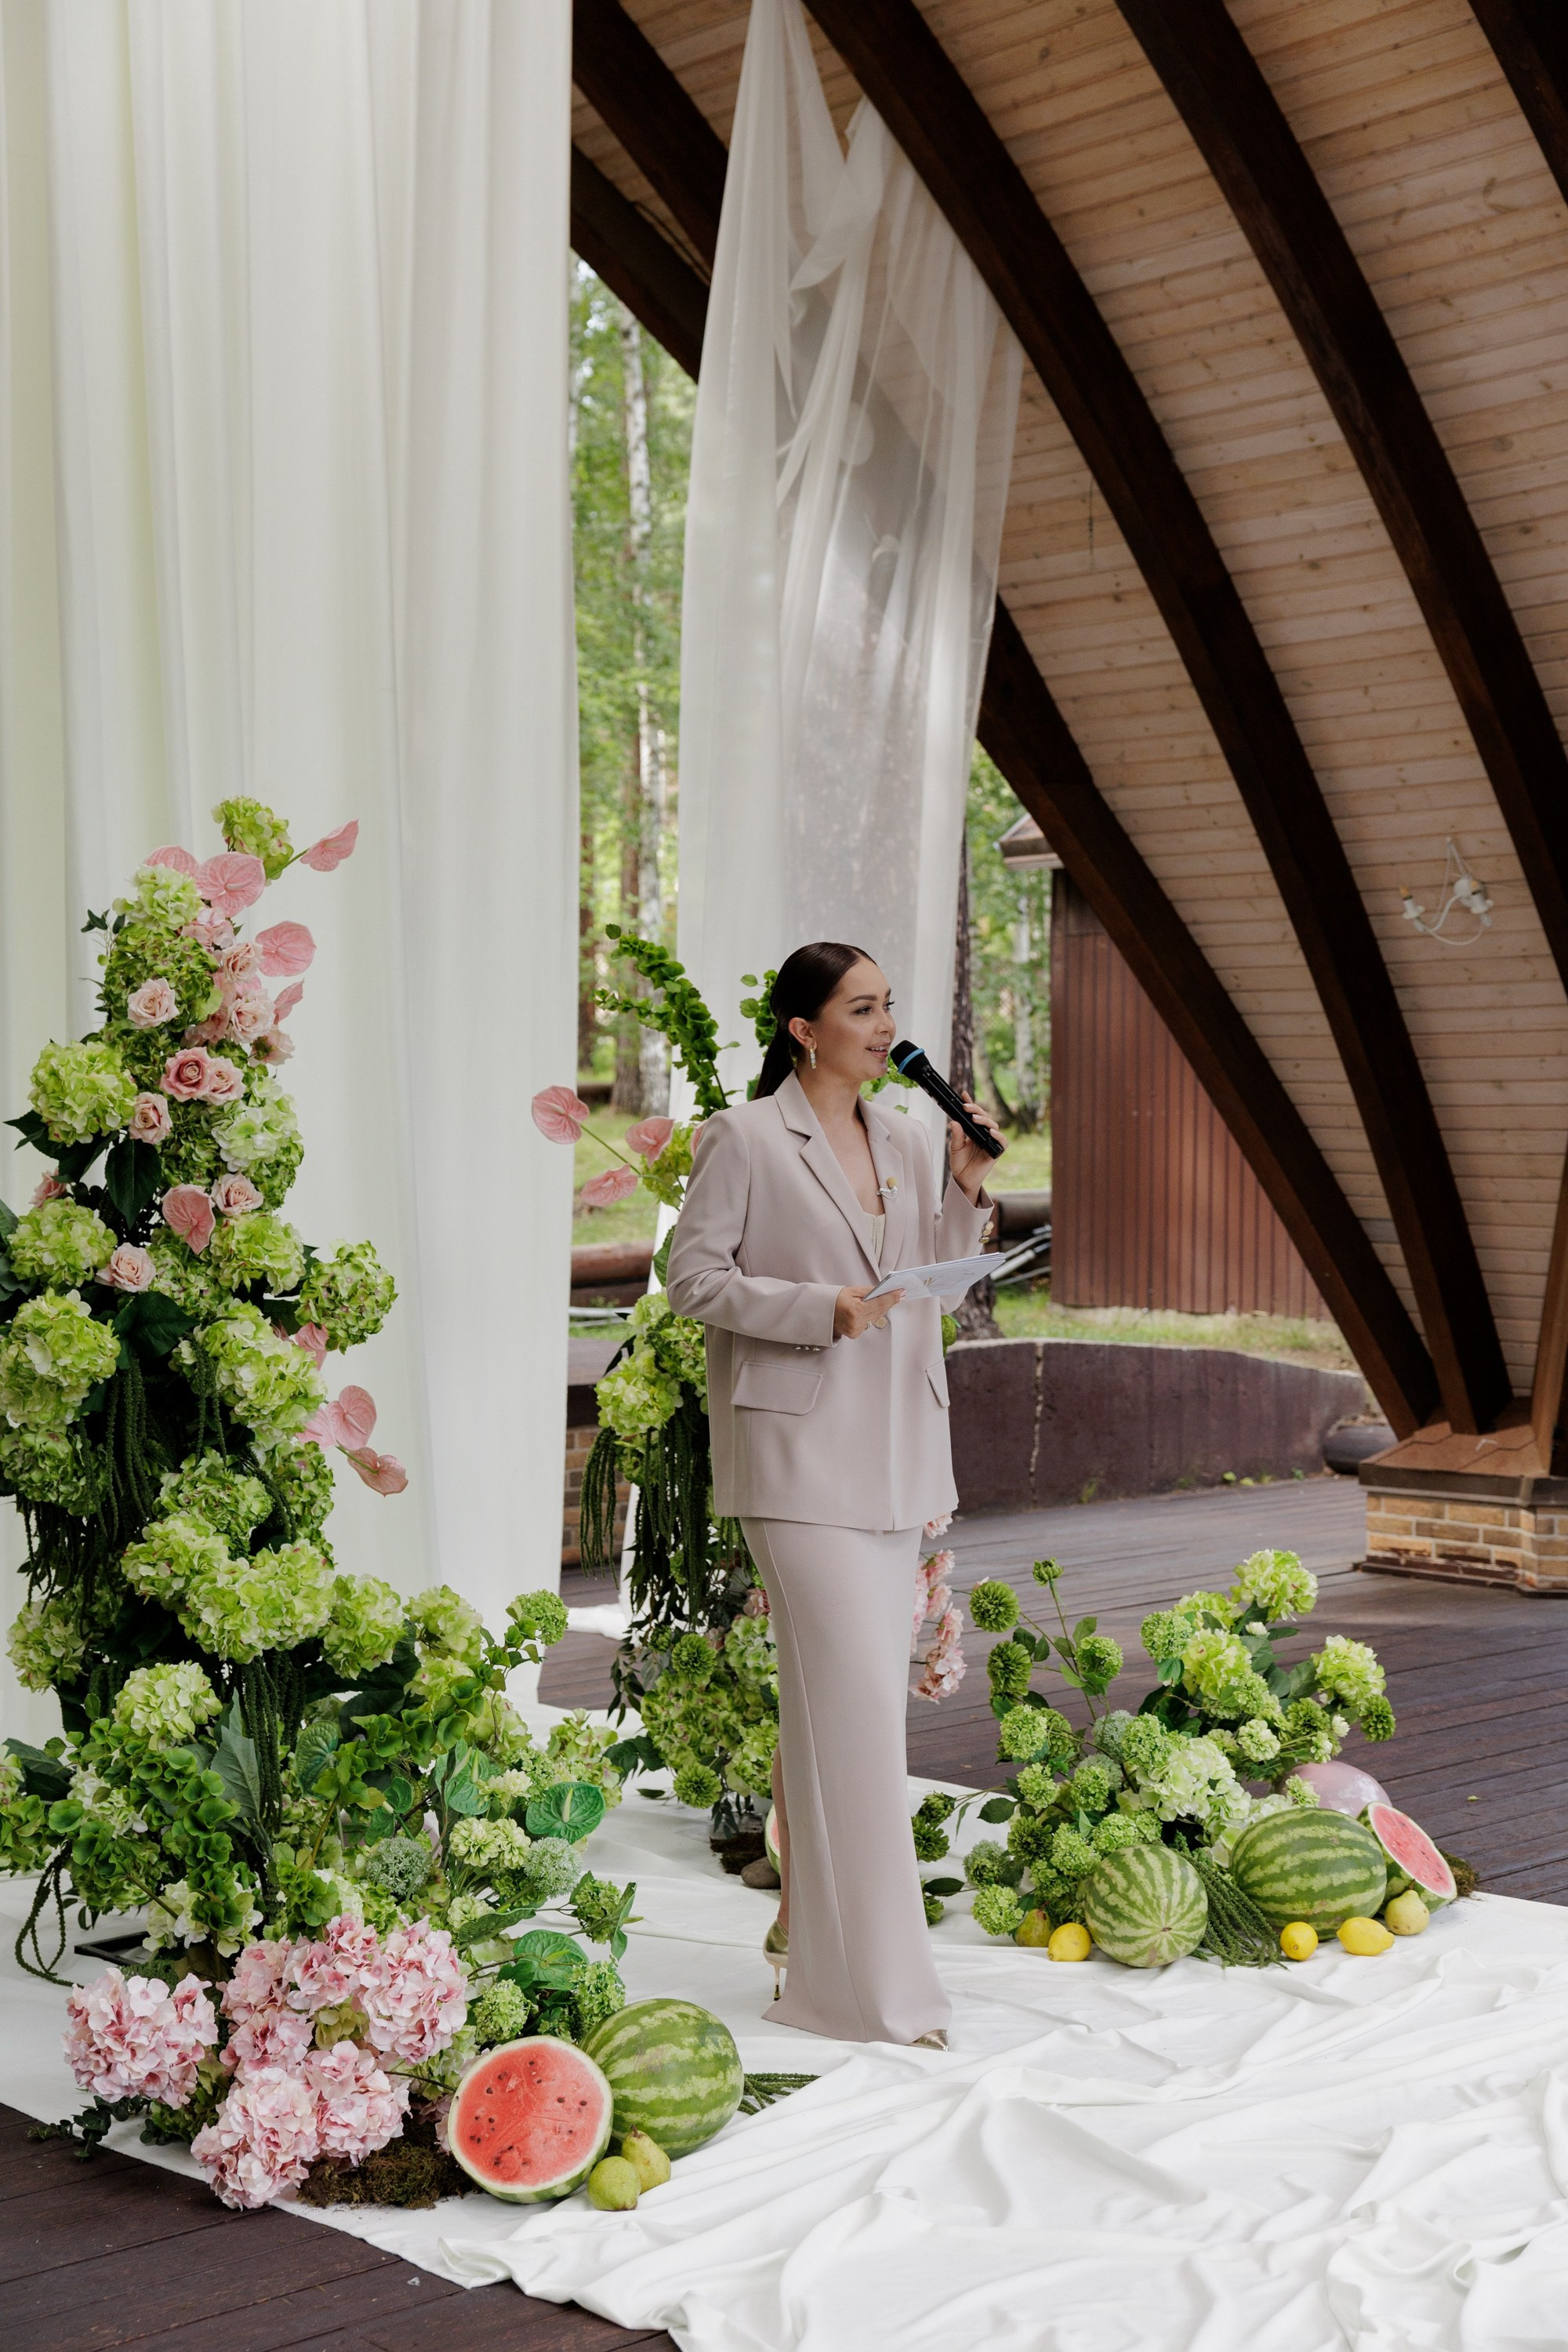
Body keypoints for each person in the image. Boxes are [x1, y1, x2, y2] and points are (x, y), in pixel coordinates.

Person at [665, 942, 1002, 2046]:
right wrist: (822, 1309)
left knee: (838, 1727)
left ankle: (815, 1970)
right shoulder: (745, 1137)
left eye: (887, 1005)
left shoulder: (904, 1135)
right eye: (862, 1008)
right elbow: (692, 1278)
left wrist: (965, 1187)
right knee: (855, 1719)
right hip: (799, 1459)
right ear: (804, 1029)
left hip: (899, 1451)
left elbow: (933, 1274)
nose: (884, 1025)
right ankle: (883, 1996)